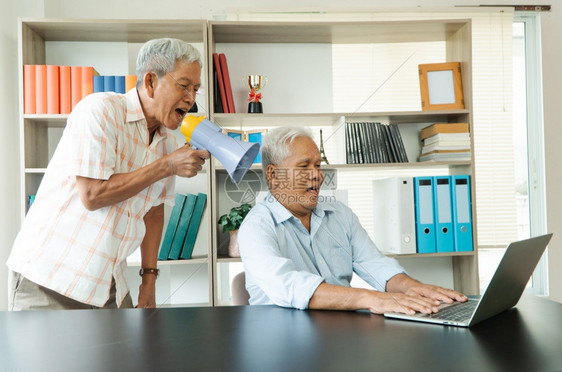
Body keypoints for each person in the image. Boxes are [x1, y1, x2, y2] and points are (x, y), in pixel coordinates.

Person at [7, 38, 210, 310]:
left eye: (196, 89)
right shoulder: (101, 109)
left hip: (107, 282)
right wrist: (167, 166)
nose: (190, 97)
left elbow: (153, 212)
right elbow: (93, 195)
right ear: (150, 81)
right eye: (184, 85)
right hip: (50, 278)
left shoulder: (167, 143)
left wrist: (148, 284)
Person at [238, 126, 467, 314]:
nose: (317, 175)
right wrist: (373, 298)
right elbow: (289, 286)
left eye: (318, 165)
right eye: (303, 166)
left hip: (343, 334)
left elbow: (374, 264)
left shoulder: (339, 214)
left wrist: (413, 288)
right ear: (273, 174)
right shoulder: (256, 227)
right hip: (284, 341)